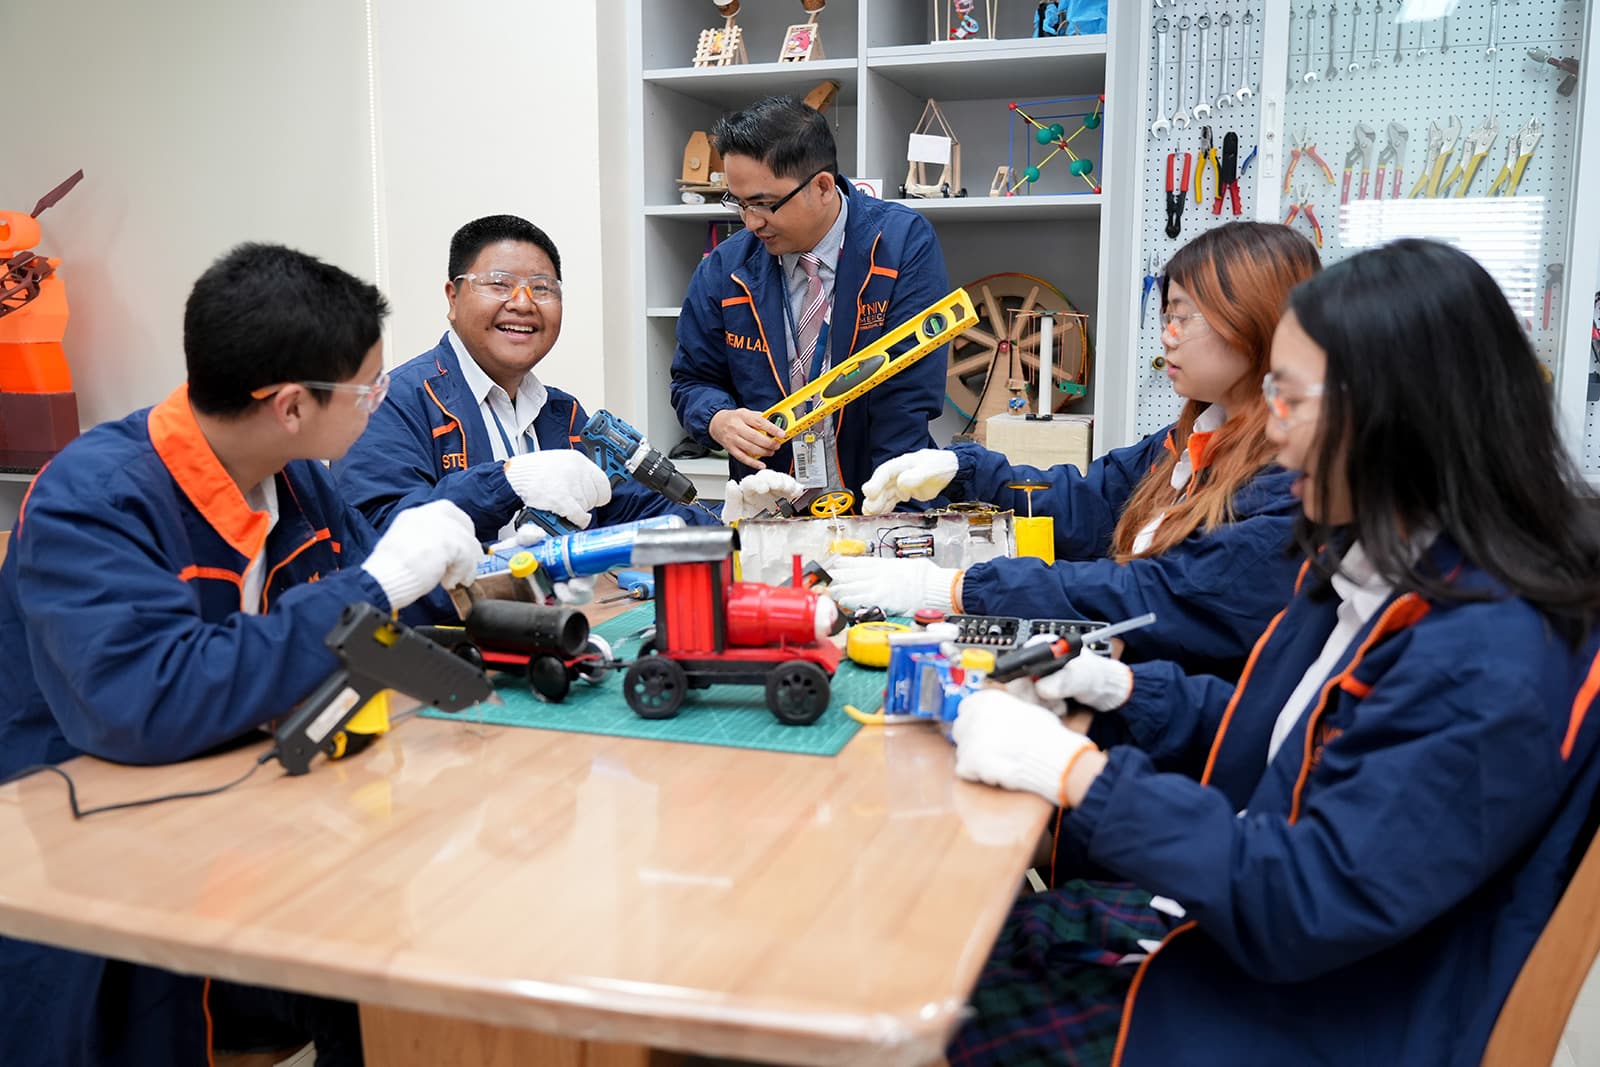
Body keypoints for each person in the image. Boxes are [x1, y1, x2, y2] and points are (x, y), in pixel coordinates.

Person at [944, 239, 1600, 1067]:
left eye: (1288, 400)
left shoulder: (1490, 654)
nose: (1274, 437)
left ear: (1394, 411)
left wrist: (1080, 776)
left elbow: (1300, 900)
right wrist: (1118, 686)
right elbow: (1297, 733)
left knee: (933, 993)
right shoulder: (1385, 568)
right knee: (965, 927)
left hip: (1302, 1020)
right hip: (1252, 949)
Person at [0, 244, 486, 1067]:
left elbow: (373, 630)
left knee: (414, 944)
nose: (383, 399)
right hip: (101, 863)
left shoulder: (298, 480)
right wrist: (376, 584)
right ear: (291, 405)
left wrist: (483, 628)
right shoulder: (95, 497)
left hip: (254, 812)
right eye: (369, 387)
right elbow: (150, 699)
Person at [829, 222, 1320, 679]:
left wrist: (955, 588)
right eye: (1165, 315)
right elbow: (1091, 500)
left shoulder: (1285, 480)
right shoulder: (1190, 440)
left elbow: (1156, 592)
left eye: (1183, 317)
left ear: (1253, 320)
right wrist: (963, 470)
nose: (1166, 336)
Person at [334, 214, 712, 546]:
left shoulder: (562, 413)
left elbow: (631, 507)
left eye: (542, 288)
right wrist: (509, 481)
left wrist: (733, 526)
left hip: (560, 618)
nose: (522, 302)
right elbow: (380, 532)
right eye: (499, 284)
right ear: (453, 297)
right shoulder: (391, 404)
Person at [671, 95, 952, 504]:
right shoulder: (725, 270)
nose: (751, 223)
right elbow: (692, 379)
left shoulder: (900, 243)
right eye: (739, 203)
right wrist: (718, 419)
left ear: (822, 186)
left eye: (765, 204)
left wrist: (891, 509)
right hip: (770, 501)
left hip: (880, 495)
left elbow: (907, 394)